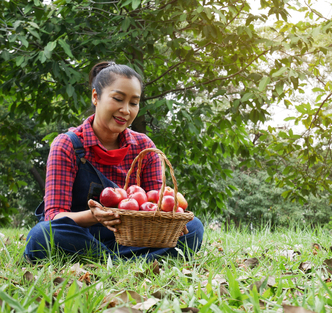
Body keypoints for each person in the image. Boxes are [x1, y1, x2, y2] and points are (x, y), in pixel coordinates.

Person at [25, 61, 204, 263]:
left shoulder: (144, 147)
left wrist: (171, 221)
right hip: (82, 236)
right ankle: (132, 261)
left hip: (134, 239)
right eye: (118, 99)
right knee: (42, 235)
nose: (126, 110)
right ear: (96, 96)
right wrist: (95, 216)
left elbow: (158, 205)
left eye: (134, 103)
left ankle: (107, 261)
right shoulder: (67, 145)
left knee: (194, 227)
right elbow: (53, 216)